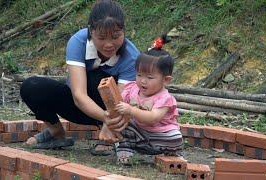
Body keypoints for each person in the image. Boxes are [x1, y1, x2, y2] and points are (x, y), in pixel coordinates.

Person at [20, 0, 139, 152]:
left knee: (104, 82)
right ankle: (55, 131)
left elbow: (119, 104)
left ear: (124, 32)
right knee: (32, 87)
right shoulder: (78, 41)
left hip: (113, 112)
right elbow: (78, 95)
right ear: (91, 32)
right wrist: (106, 118)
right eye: (102, 38)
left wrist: (109, 123)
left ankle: (112, 138)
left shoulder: (132, 56)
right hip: (78, 106)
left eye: (116, 37)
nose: (109, 44)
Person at [114, 34, 183, 165]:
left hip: (160, 135)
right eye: (139, 75)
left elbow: (153, 118)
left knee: (175, 137)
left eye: (150, 77)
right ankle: (125, 150)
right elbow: (118, 103)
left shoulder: (165, 98)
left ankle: (170, 153)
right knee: (121, 125)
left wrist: (131, 110)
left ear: (166, 80)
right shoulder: (132, 89)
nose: (143, 81)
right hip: (138, 132)